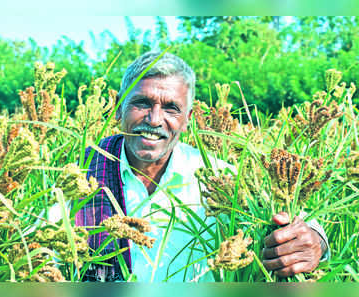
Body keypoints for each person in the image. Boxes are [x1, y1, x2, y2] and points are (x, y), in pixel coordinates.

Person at [74, 52, 329, 282]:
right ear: (118, 109)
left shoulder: (217, 178)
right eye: (141, 103)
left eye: (171, 108)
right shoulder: (83, 174)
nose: (153, 119)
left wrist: (315, 241)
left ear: (188, 119)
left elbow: (292, 218)